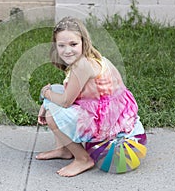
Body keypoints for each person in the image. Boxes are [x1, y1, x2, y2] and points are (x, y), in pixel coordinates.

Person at [36, 16, 146, 177]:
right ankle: (65, 149)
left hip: (108, 121)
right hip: (109, 111)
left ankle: (83, 158)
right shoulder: (91, 57)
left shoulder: (82, 65)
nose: (67, 50)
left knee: (52, 113)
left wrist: (45, 95)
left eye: (73, 44)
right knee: (54, 90)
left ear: (83, 42)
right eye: (61, 45)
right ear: (55, 46)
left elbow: (66, 102)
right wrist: (48, 97)